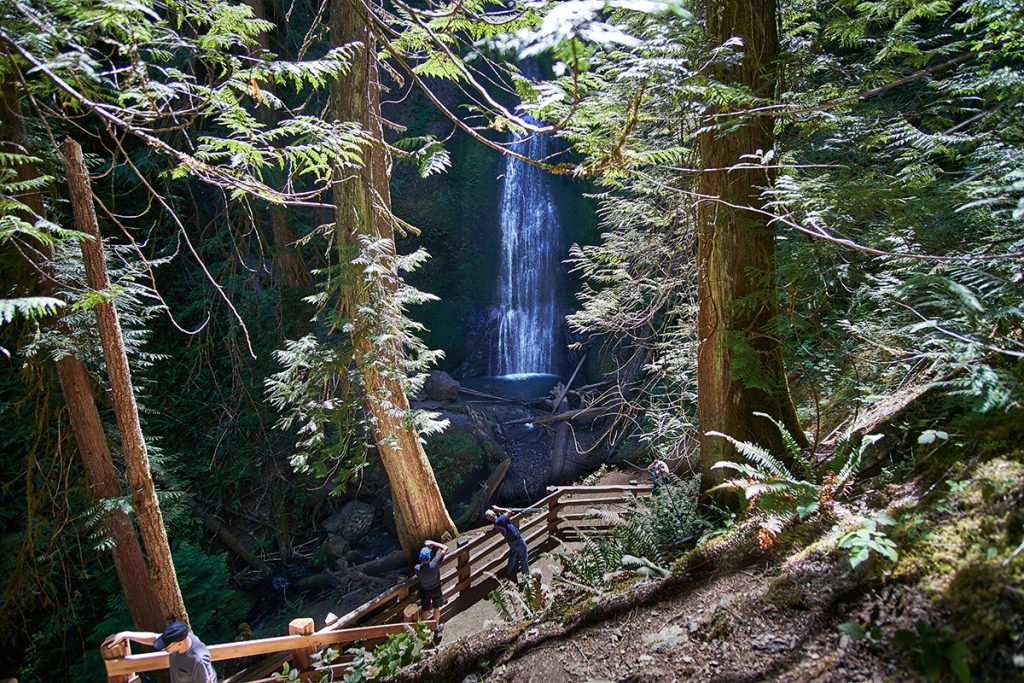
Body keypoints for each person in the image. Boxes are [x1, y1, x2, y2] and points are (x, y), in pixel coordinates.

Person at [103, 621, 216, 683]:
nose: (163, 648)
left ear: (180, 643)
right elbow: (153, 638)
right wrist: (126, 634)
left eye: (166, 647)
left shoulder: (197, 661)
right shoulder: (181, 636)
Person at [485, 505, 529, 583]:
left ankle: (508, 571)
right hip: (517, 541)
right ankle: (526, 577)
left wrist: (498, 512)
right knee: (523, 558)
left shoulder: (496, 523)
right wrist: (499, 508)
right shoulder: (501, 520)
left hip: (511, 542)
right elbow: (509, 512)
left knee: (513, 556)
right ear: (494, 514)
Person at [414, 539, 448, 628]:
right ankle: (435, 626)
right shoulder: (435, 563)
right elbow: (445, 547)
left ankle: (424, 629)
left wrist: (428, 549)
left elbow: (422, 564)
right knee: (436, 608)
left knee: (424, 609)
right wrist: (433, 543)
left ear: (420, 558)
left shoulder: (417, 568)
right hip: (436, 589)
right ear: (430, 557)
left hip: (425, 591)